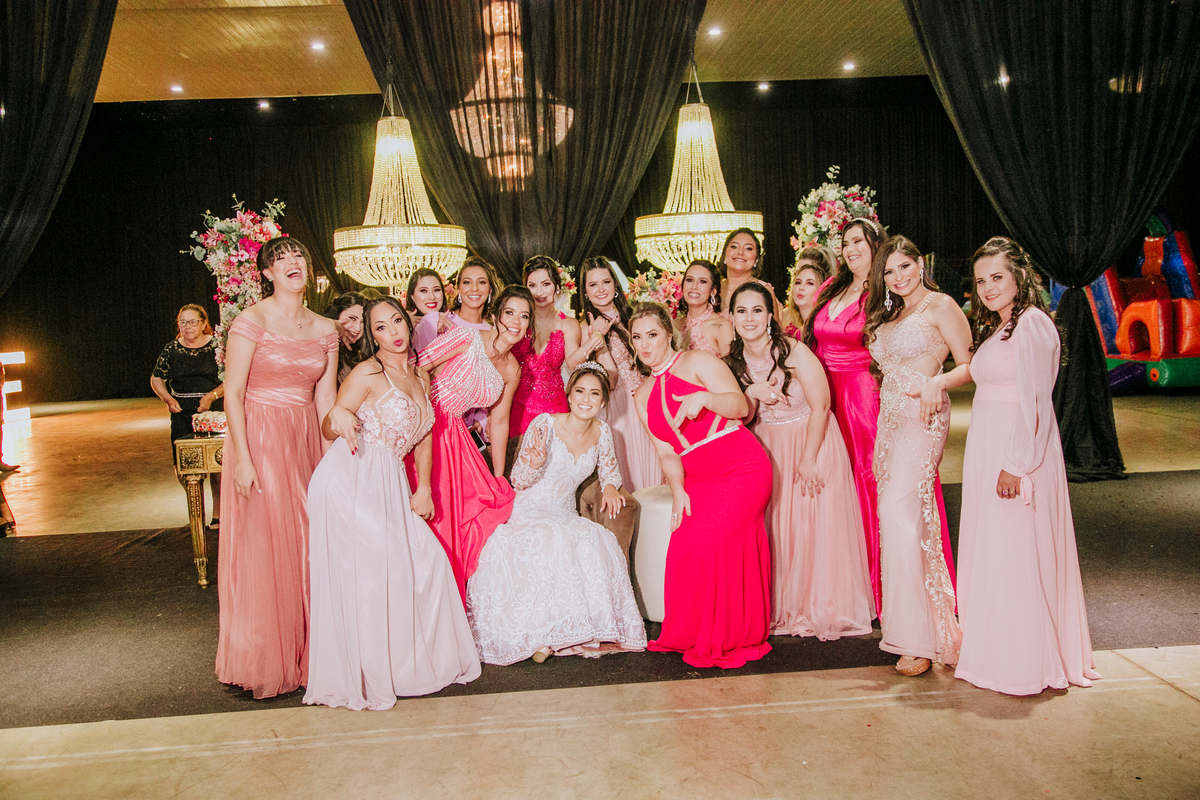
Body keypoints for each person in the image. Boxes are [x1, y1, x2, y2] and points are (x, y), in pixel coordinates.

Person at [305, 297, 480, 710]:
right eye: (380, 327)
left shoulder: (419, 375)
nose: (393, 332)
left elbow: (424, 434)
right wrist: (338, 418)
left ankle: (409, 666)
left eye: (396, 321)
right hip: (351, 477)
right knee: (382, 571)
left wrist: (425, 489)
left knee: (429, 561)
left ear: (407, 322)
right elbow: (332, 422)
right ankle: (375, 672)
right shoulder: (368, 371)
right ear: (372, 336)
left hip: (391, 481)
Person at [952, 237, 1100, 695]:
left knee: (1016, 552)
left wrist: (1016, 464)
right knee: (997, 550)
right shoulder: (1003, 326)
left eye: (997, 277)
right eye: (981, 281)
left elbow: (1034, 402)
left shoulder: (1033, 324)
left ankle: (1022, 663)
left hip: (1017, 454)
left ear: (1019, 276)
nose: (988, 288)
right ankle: (995, 652)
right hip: (989, 448)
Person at [216, 236, 339, 699]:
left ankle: (310, 652)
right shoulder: (251, 321)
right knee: (268, 542)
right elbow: (233, 394)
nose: (292, 262)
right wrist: (243, 459)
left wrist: (333, 462)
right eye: (280, 258)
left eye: (298, 256)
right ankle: (266, 654)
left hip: (305, 436)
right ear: (267, 273)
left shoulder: (325, 328)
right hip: (261, 436)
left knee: (307, 538)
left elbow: (326, 398)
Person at [468, 363, 647, 665]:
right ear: (569, 394)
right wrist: (534, 463)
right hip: (528, 507)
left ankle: (567, 633)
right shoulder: (545, 424)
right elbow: (519, 481)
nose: (586, 399)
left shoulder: (603, 431)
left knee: (592, 537)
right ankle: (543, 635)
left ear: (604, 400)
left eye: (594, 393)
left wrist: (610, 488)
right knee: (550, 537)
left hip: (563, 510)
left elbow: (609, 471)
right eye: (580, 391)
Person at [726, 283, 873, 640]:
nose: (749, 319)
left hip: (812, 440)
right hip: (768, 449)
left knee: (811, 524)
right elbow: (739, 417)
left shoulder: (794, 351)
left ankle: (820, 606)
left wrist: (808, 458)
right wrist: (750, 392)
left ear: (770, 315)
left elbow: (822, 406)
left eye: (757, 310)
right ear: (731, 317)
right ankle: (783, 606)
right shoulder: (730, 363)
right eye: (741, 311)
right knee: (779, 528)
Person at [631, 302, 772, 669]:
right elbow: (666, 452)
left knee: (714, 543)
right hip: (695, 478)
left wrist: (706, 398)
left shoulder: (696, 361)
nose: (645, 344)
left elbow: (740, 407)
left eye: (652, 335)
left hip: (740, 467)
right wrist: (679, 491)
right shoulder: (641, 395)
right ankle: (692, 633)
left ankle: (728, 635)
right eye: (637, 337)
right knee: (685, 549)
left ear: (668, 333)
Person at [864, 235, 972, 676]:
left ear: (920, 264)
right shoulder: (892, 314)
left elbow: (970, 364)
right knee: (903, 522)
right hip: (890, 423)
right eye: (889, 272)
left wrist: (937, 382)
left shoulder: (940, 305)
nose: (898, 277)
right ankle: (924, 631)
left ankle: (917, 640)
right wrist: (879, 435)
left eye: (904, 266)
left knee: (900, 518)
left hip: (923, 417)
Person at [414, 285, 532, 600]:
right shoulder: (467, 337)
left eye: (524, 317)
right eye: (510, 313)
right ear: (496, 315)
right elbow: (418, 367)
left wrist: (499, 474)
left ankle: (447, 598)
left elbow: (499, 421)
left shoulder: (512, 370)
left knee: (463, 515)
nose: (515, 322)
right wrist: (422, 419)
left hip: (456, 437)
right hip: (426, 426)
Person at [806, 217, 889, 613]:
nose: (851, 248)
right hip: (825, 393)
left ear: (876, 244)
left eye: (859, 241)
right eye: (846, 242)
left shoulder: (886, 291)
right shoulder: (832, 286)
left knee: (866, 480)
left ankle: (878, 586)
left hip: (862, 395)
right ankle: (842, 585)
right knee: (833, 485)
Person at [577, 257, 662, 491]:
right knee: (631, 475)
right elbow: (609, 380)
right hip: (619, 408)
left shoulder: (634, 316)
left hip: (649, 398)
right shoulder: (585, 329)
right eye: (593, 284)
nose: (601, 289)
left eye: (606, 282)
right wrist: (598, 339)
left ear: (615, 284)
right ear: (585, 292)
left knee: (657, 471)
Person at [151, 304, 224, 527]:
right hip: (182, 414)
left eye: (192, 322)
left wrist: (212, 396)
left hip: (212, 412)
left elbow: (231, 378)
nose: (187, 327)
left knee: (216, 465)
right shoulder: (172, 349)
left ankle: (219, 514)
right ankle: (196, 514)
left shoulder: (217, 346)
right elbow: (156, 379)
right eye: (183, 323)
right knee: (184, 467)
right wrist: (168, 398)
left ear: (204, 323)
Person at [509, 255, 587, 437]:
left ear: (557, 287)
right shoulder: (517, 322)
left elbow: (573, 364)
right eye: (532, 285)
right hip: (517, 408)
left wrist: (593, 341)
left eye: (546, 284)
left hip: (554, 409)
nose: (539, 292)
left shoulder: (569, 324)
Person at [674, 259, 734, 358]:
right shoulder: (676, 324)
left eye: (702, 281)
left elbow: (731, 367)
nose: (694, 286)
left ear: (713, 291)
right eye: (689, 280)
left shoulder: (721, 326)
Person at [718, 228, 782, 318]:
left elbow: (773, 326)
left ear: (756, 259)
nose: (740, 252)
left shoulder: (763, 291)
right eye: (734, 246)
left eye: (748, 248)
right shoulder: (712, 287)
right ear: (724, 254)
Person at [780, 246, 836, 338]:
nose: (802, 287)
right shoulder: (783, 316)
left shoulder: (829, 321)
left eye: (809, 282)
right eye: (797, 274)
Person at [320, 291, 366, 384]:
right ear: (337, 315)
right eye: (352, 318)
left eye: (362, 322)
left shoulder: (362, 353)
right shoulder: (320, 345)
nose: (358, 328)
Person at [405, 267, 449, 353]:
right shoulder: (403, 326)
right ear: (412, 296)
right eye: (423, 291)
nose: (432, 297)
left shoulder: (453, 321)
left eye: (436, 290)